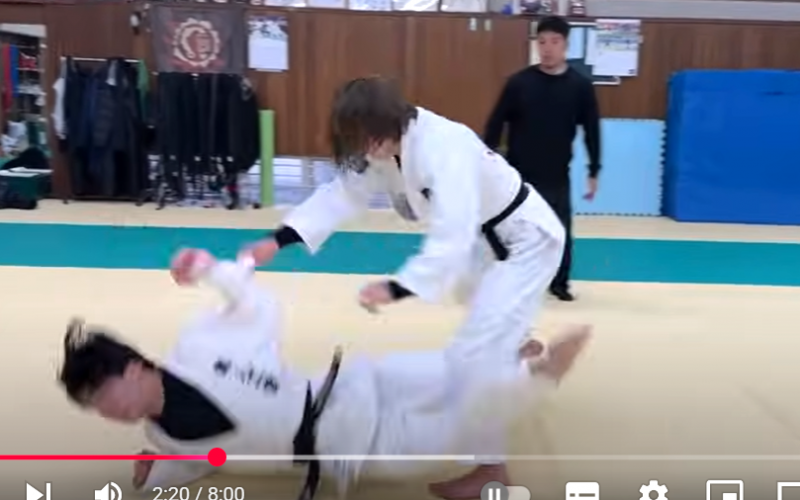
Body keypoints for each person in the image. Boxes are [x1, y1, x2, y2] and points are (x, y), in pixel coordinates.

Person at [220, 75, 569, 498]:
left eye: (369, 138)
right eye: (358, 141)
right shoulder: (384, 148)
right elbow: (342, 194)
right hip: (483, 246)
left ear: (388, 121)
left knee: (473, 353)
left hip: (524, 240)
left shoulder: (444, 145)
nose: (366, 150)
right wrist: (277, 240)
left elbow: (452, 234)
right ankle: (514, 346)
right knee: (484, 323)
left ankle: (492, 466)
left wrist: (398, 288)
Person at [60, 251, 592, 499]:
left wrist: (209, 269)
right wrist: (155, 472)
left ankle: (509, 361)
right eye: (96, 408)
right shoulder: (164, 437)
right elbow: (201, 461)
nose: (108, 413)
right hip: (348, 445)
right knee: (454, 423)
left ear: (135, 368)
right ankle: (535, 377)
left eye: (104, 395)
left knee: (452, 370)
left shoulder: (198, 344)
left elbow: (256, 304)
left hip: (350, 385)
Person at [483, 15, 602, 302]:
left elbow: (592, 129)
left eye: (555, 42)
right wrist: (487, 158)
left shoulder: (580, 87)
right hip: (518, 175)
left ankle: (559, 283)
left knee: (559, 233)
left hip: (556, 174)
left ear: (566, 45)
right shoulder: (519, 83)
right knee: (503, 230)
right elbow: (496, 123)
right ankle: (510, 277)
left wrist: (594, 169)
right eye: (542, 42)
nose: (547, 48)